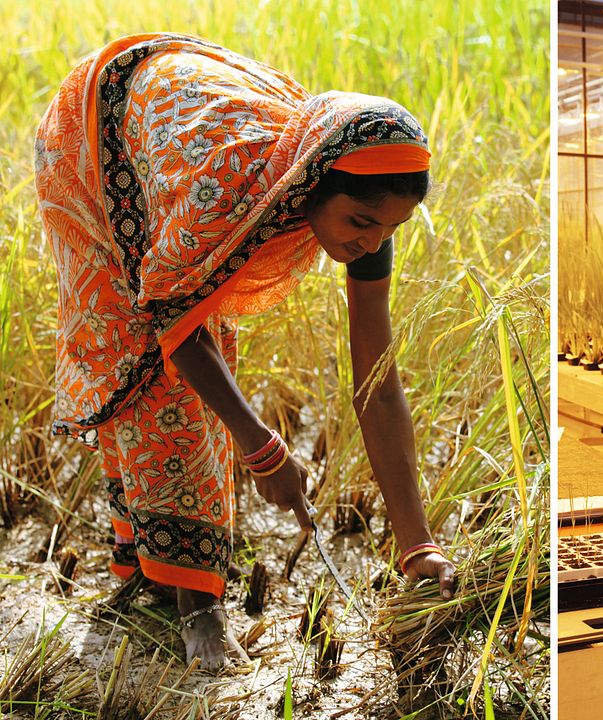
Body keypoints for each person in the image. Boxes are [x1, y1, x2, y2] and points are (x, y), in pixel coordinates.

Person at [35, 33, 455, 670]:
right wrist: (263, 452)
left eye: (390, 229)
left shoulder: (368, 202)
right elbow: (175, 324)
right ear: (310, 185)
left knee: (193, 369)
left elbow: (379, 380)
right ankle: (194, 607)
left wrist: (417, 546)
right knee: (158, 377)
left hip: (172, 138)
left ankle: (152, 566)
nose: (373, 243)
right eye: (361, 224)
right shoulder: (220, 192)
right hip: (98, 135)